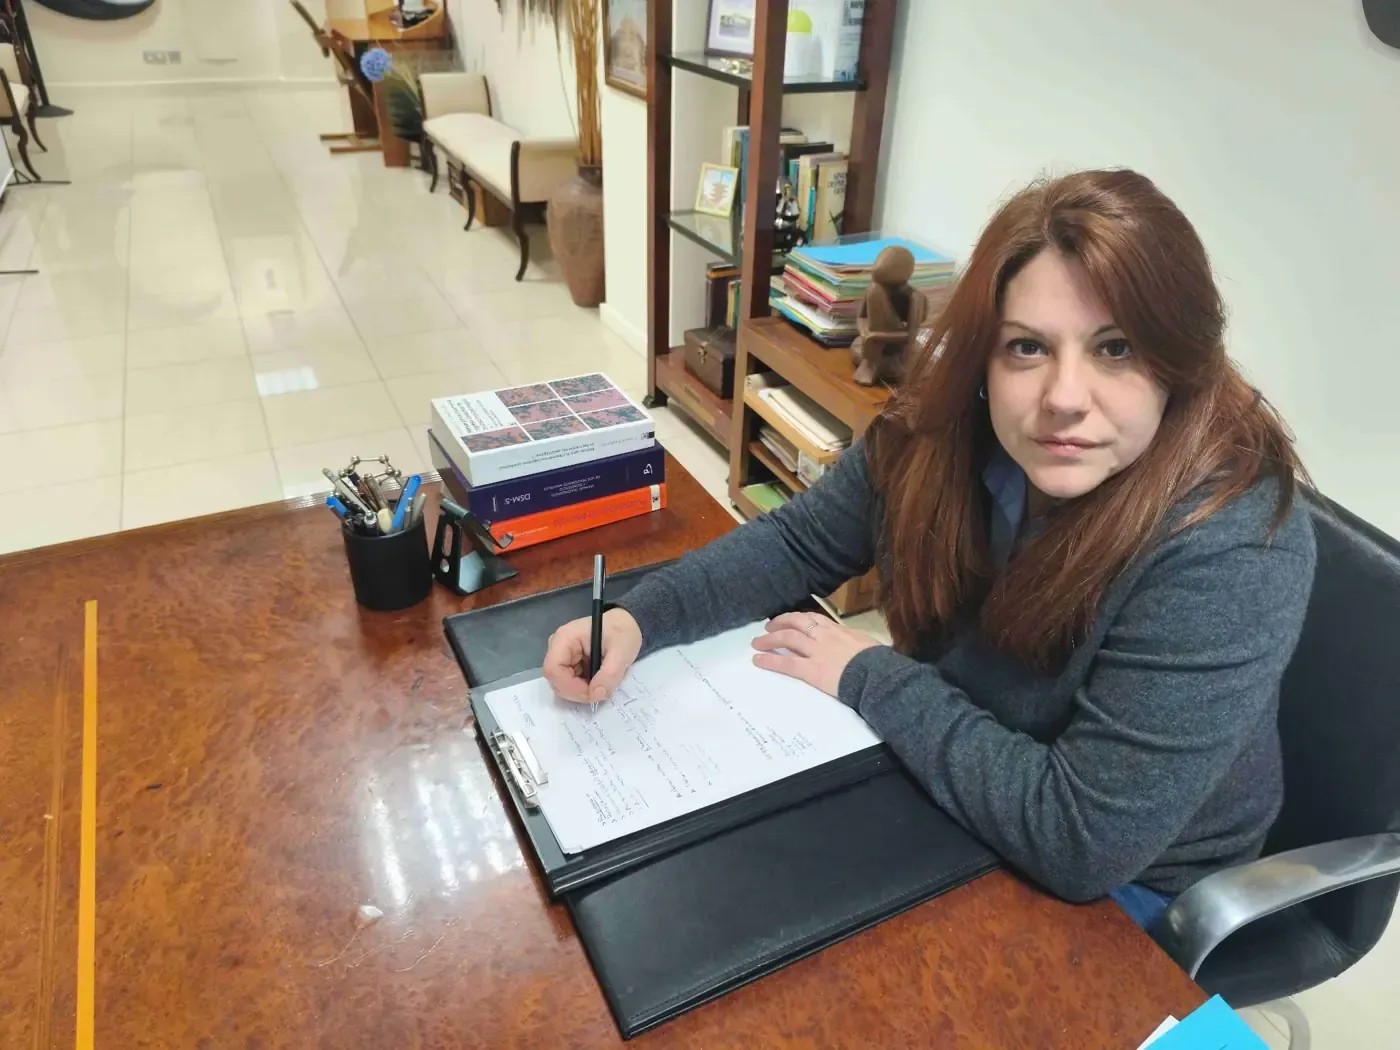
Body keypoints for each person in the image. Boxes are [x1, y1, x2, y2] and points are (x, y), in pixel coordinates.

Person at [542, 169, 1316, 933]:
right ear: (983, 358)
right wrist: (641, 620)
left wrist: (872, 676)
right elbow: (798, 541)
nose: (1065, 397)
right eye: (1026, 348)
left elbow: (1082, 840)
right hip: (967, 774)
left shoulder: (1236, 544)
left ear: (1178, 363)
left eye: (1115, 349)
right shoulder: (938, 434)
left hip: (1136, 889)